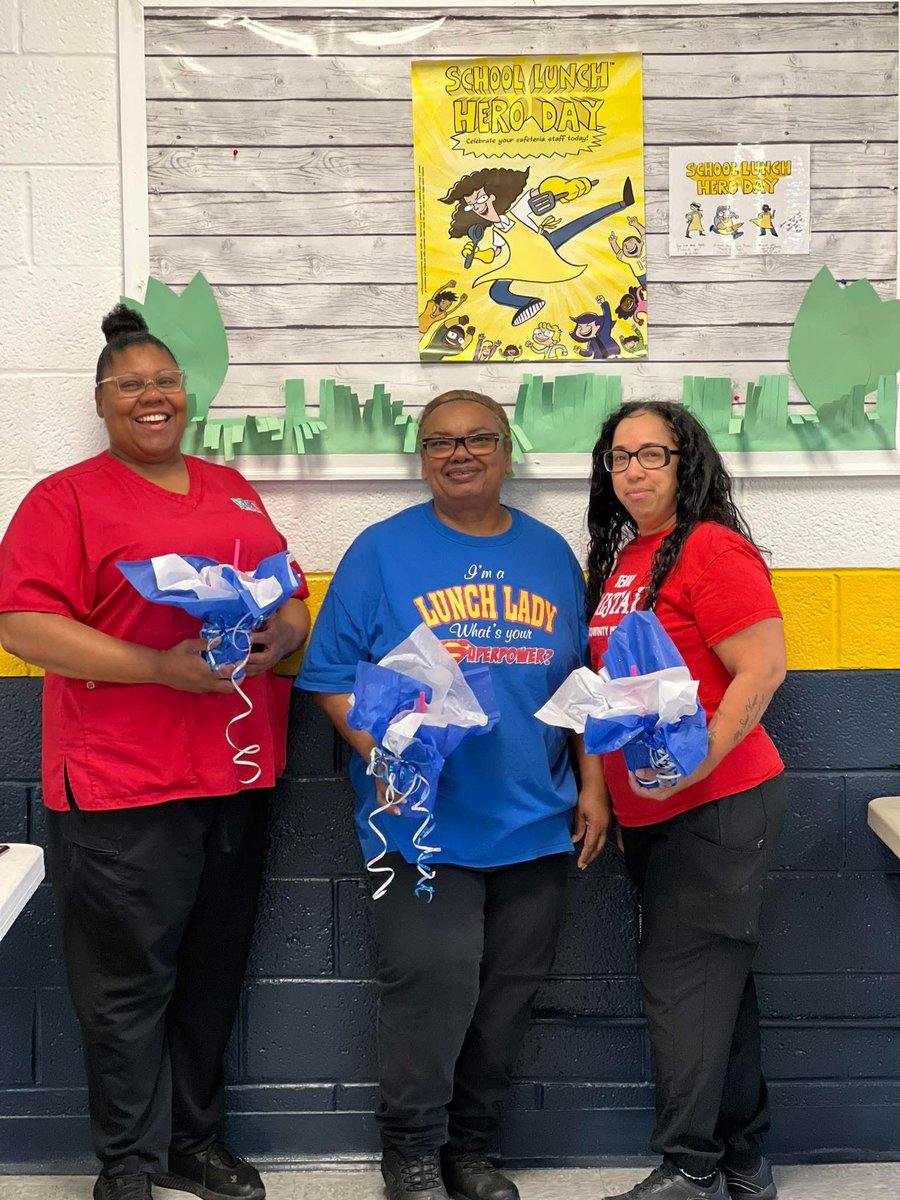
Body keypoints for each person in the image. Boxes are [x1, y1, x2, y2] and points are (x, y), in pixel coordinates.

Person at [0, 306, 310, 1200]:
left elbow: (287, 599)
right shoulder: (66, 499)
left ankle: (192, 1142)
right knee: (127, 988)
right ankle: (127, 1167)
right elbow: (24, 624)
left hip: (235, 772)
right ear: (102, 402)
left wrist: (277, 636)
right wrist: (156, 668)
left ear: (189, 394)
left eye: (165, 381)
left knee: (211, 975)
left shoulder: (233, 489)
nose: (153, 396)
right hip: (120, 784)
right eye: (131, 384)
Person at [298, 390, 610, 1200]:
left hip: (536, 819)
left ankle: (470, 1150)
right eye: (440, 442)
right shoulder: (380, 552)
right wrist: (388, 752)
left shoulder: (550, 555)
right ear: (422, 456)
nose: (459, 453)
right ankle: (410, 1151)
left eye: (477, 438)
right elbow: (329, 676)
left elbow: (580, 684)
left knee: (506, 1000)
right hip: (419, 826)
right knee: (430, 991)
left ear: (508, 449)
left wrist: (595, 785)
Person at [585, 401, 786, 1200]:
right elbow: (609, 690)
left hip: (717, 808)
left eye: (652, 455)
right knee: (716, 990)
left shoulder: (710, 547)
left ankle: (689, 1170)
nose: (634, 470)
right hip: (655, 813)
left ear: (686, 462)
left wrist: (694, 761)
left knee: (684, 988)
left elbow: (762, 669)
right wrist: (606, 790)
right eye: (619, 457)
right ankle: (742, 1162)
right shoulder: (628, 557)